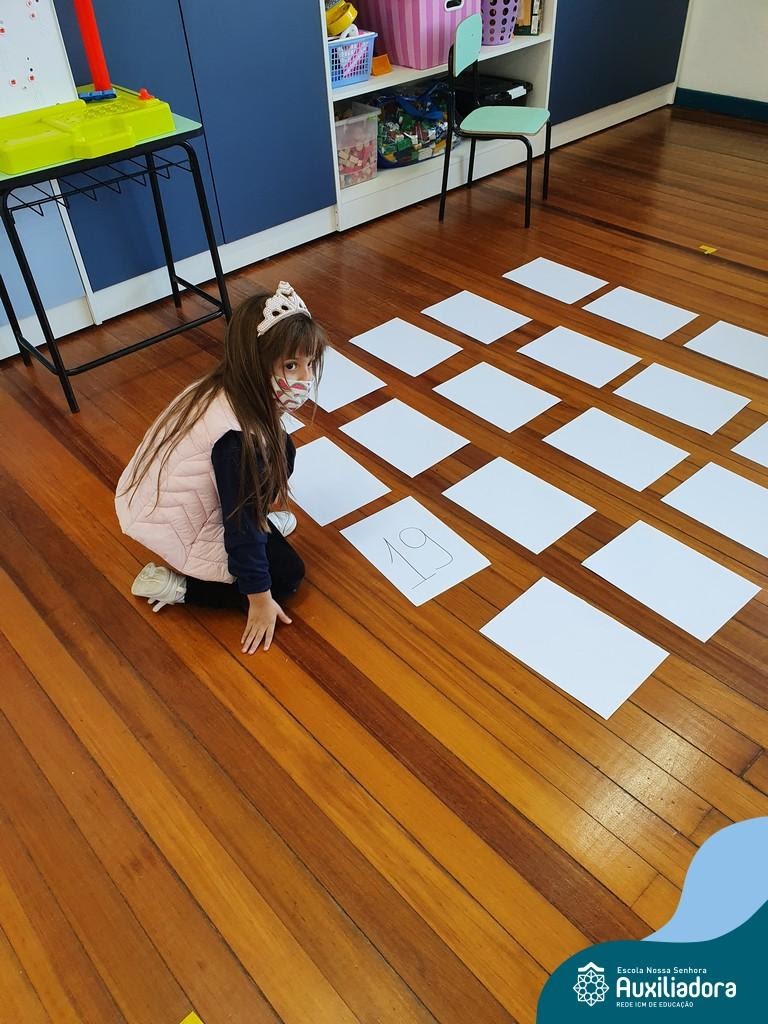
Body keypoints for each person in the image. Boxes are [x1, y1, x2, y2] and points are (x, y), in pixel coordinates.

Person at [115, 281, 326, 654]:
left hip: (178, 498)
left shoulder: (227, 387)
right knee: (287, 576)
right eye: (291, 366)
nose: (306, 378)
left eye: (309, 364)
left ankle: (260, 525)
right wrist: (258, 599)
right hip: (181, 526)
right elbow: (240, 528)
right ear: (254, 363)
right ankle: (180, 588)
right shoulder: (236, 443)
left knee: (284, 450)